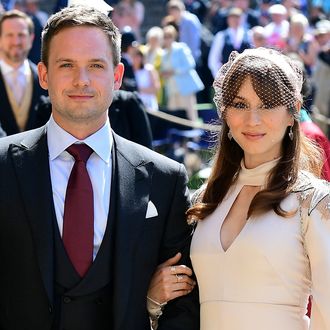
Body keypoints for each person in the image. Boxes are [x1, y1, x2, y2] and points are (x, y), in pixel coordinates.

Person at [0, 5, 199, 330]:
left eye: (95, 65)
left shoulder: (165, 179)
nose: (82, 80)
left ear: (117, 76)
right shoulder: (3, 165)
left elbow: (184, 301)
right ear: (44, 75)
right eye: (67, 65)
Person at [147, 47, 330, 329]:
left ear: (292, 109)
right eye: (240, 104)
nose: (252, 119)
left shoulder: (313, 201)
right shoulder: (204, 200)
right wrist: (153, 299)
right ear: (225, 112)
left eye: (267, 104)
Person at [0, 9, 47, 135]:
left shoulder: (45, 79)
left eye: (21, 35)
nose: (16, 42)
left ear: (31, 38)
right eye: (10, 35)